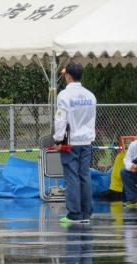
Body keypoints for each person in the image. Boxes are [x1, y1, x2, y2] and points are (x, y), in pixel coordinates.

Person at [53, 63, 96, 224]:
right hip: (86, 140)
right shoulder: (90, 95)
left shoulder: (64, 95)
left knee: (71, 176)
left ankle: (74, 214)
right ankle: (86, 213)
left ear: (69, 76)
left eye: (65, 75)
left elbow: (60, 119)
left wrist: (58, 139)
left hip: (70, 141)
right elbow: (92, 119)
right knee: (84, 175)